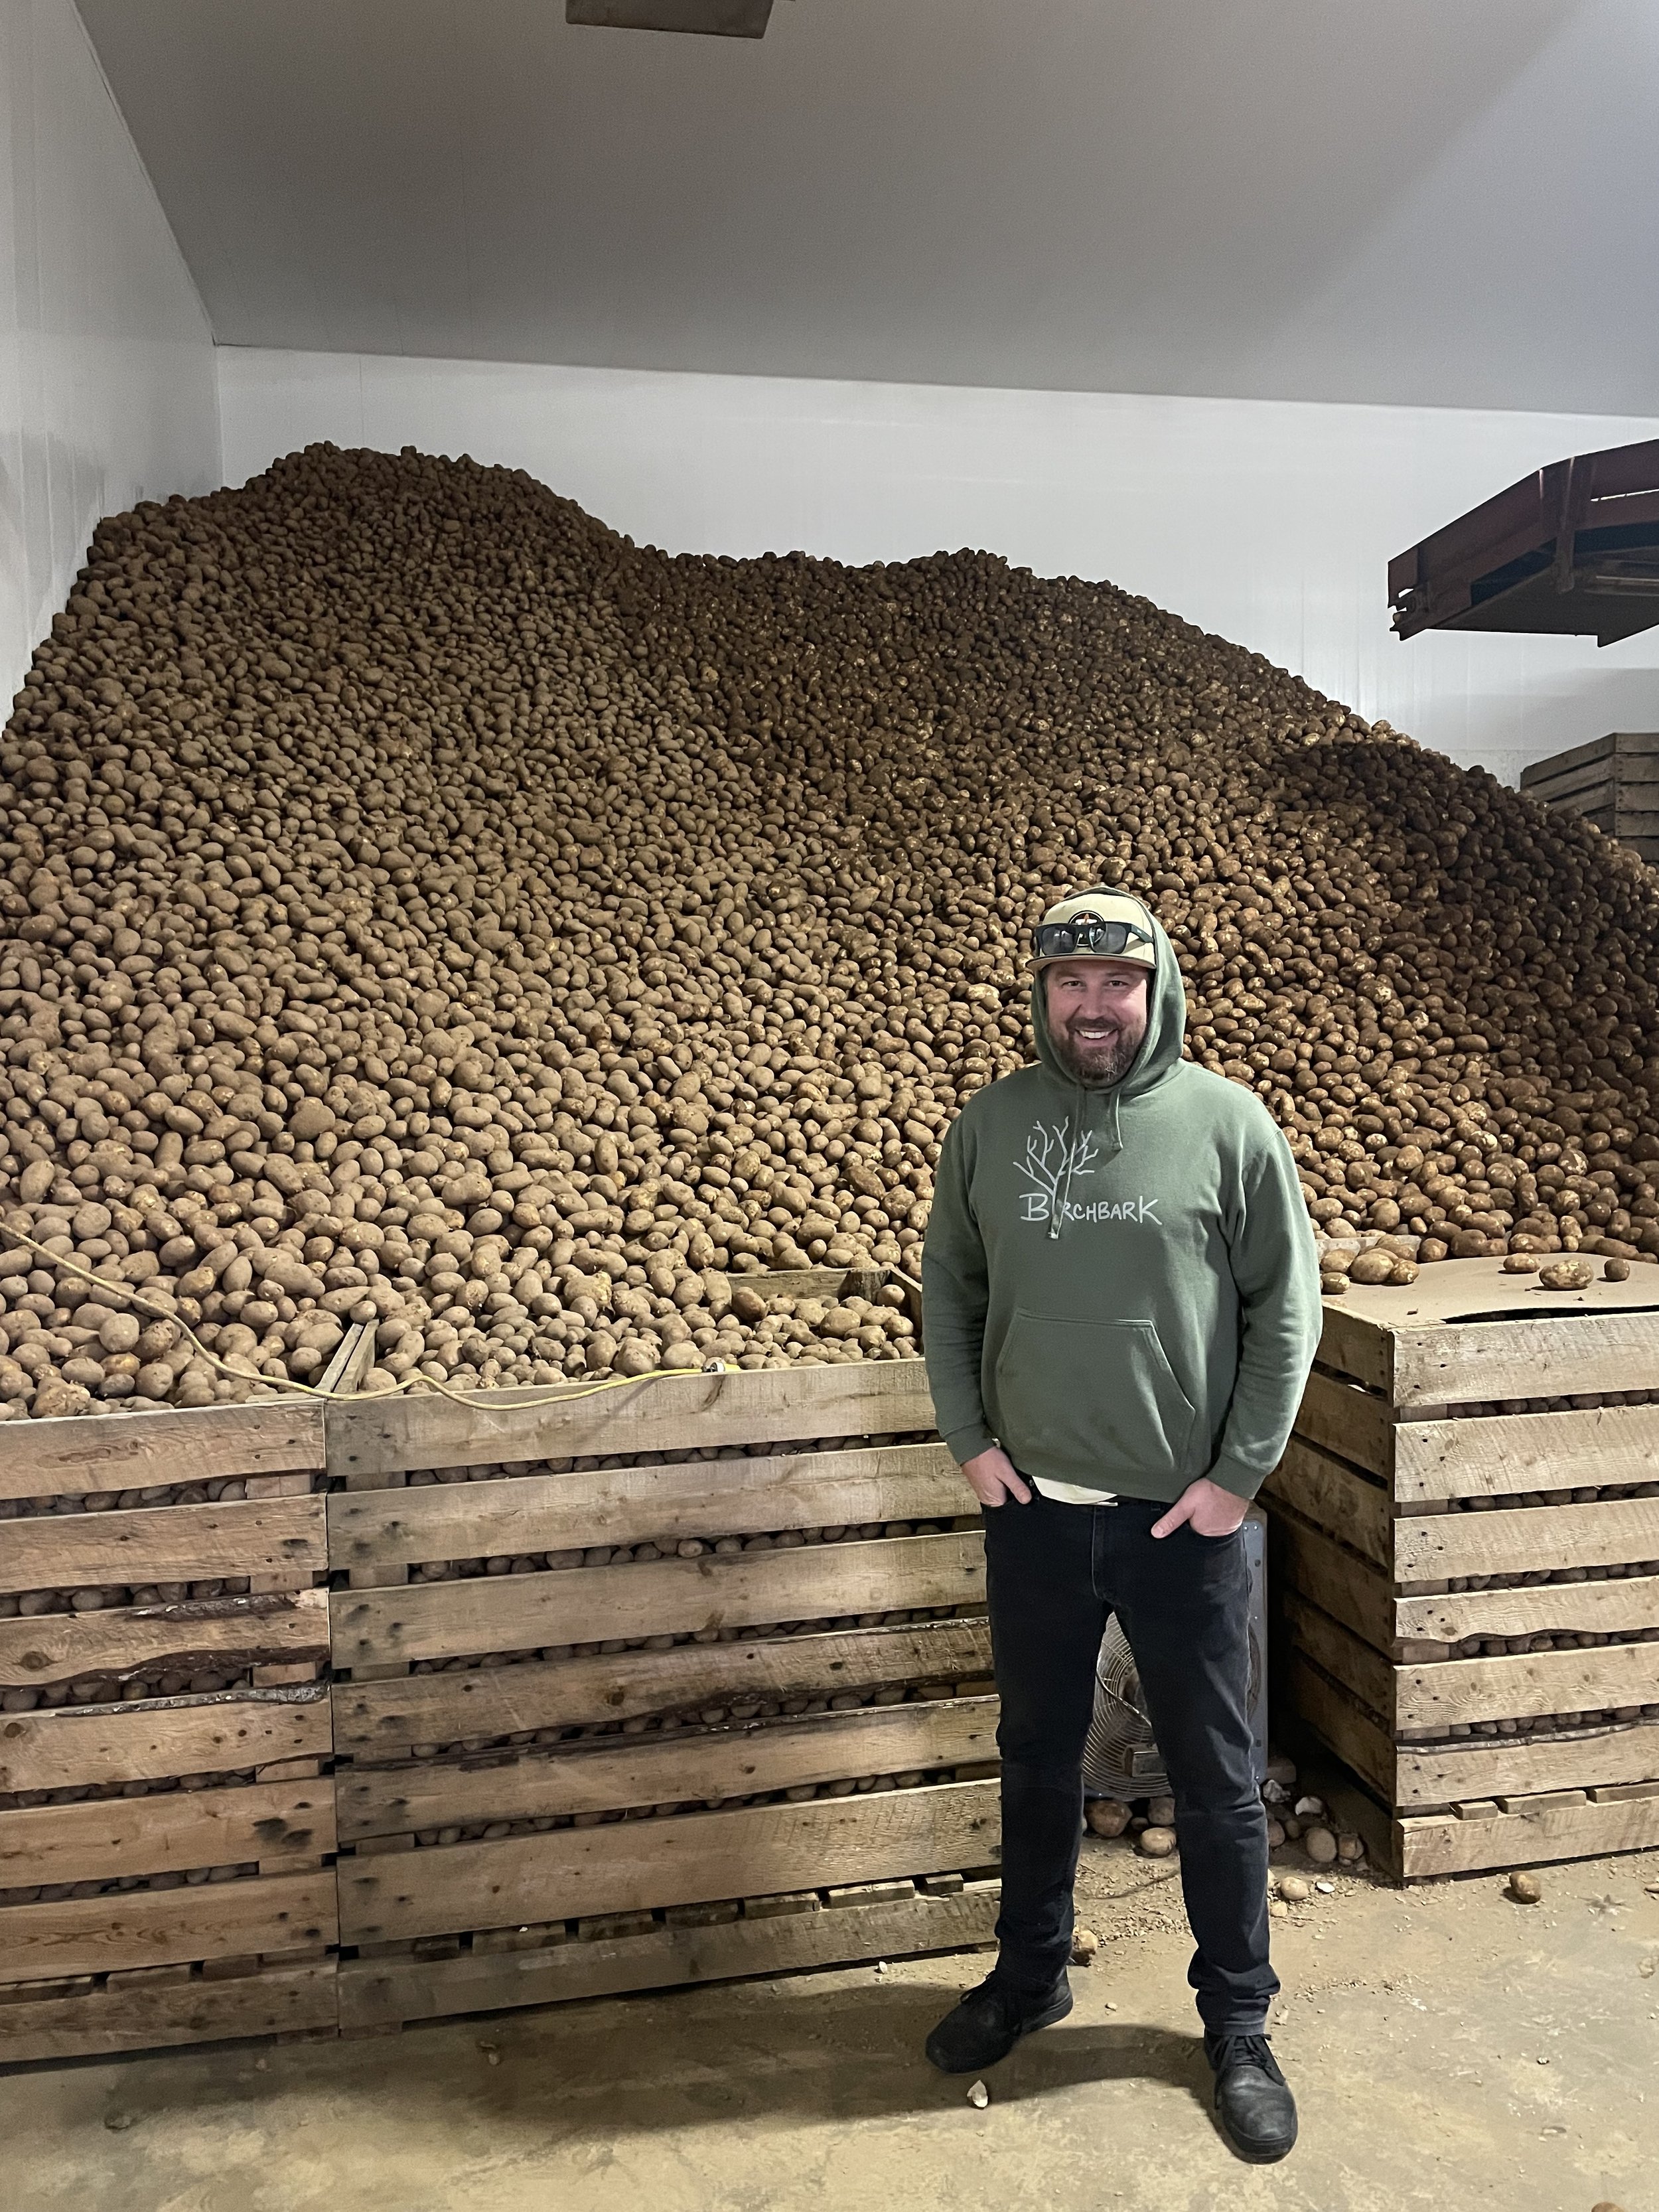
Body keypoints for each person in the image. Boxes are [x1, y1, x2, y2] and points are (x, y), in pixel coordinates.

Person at [920, 886, 1322, 2165]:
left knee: (1214, 1775)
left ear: (1157, 989)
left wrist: (1238, 1475)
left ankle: (1239, 2022)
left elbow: (1285, 1312)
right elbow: (950, 1290)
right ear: (1041, 993)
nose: (1093, 1004)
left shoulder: (1227, 1124)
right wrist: (970, 1441)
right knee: (1035, 1754)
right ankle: (1032, 1972)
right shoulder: (991, 1125)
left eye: (1117, 980)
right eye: (1069, 981)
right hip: (1035, 1509)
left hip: (1180, 1522)